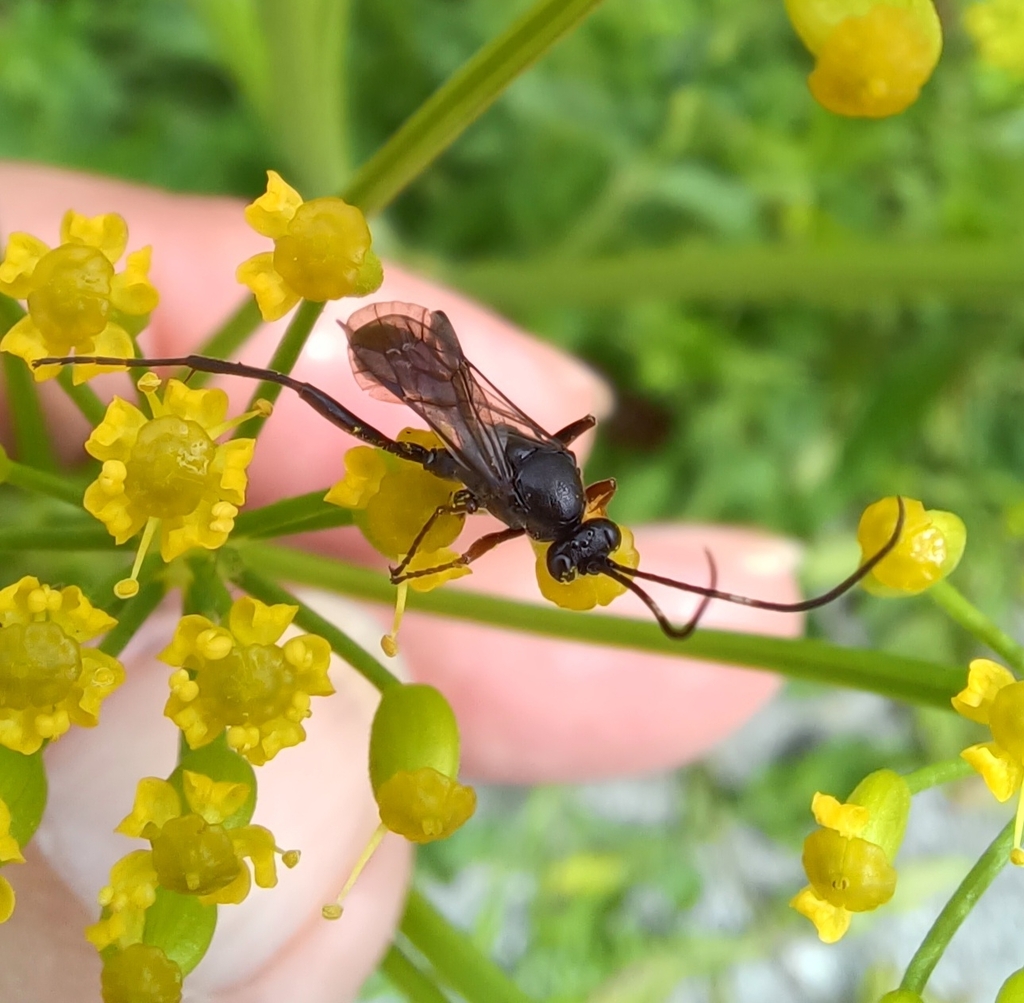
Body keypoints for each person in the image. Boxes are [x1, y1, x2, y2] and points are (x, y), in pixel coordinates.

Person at [0, 163, 800, 1003]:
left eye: (580, 548)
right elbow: (482, 511)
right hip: (442, 419)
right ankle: (140, 358)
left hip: (471, 429)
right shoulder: (534, 504)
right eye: (579, 544)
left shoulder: (559, 482)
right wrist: (431, 555)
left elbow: (509, 500)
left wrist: (438, 552)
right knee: (298, 384)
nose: (575, 551)